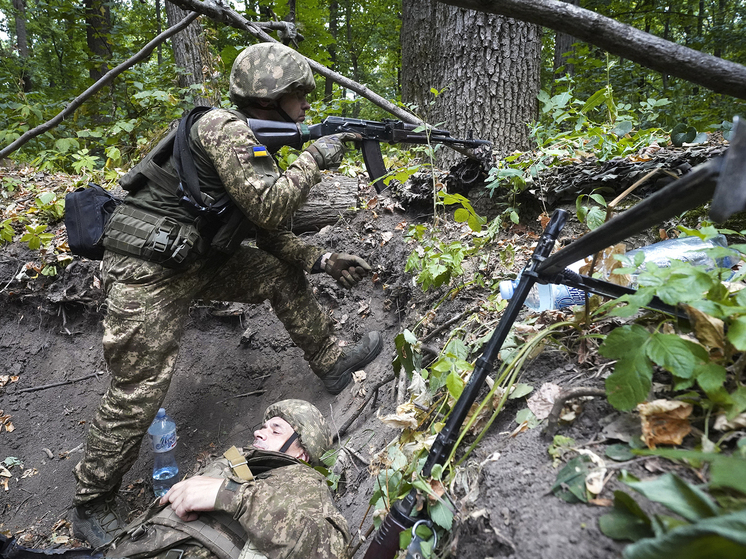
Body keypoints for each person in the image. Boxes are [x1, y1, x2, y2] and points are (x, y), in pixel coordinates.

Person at [72, 42, 383, 546]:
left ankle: (331, 360)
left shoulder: (251, 139)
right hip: (146, 273)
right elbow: (269, 207)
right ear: (270, 97)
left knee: (278, 273)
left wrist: (319, 260)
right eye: (299, 95)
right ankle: (91, 499)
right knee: (139, 391)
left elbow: (257, 228)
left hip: (194, 260)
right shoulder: (225, 128)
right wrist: (313, 158)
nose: (306, 105)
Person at [103, 399, 349, 559]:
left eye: (275, 430)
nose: (259, 431)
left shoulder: (303, 481)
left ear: (302, 453)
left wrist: (231, 495)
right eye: (263, 426)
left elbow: (329, 548)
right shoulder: (239, 463)